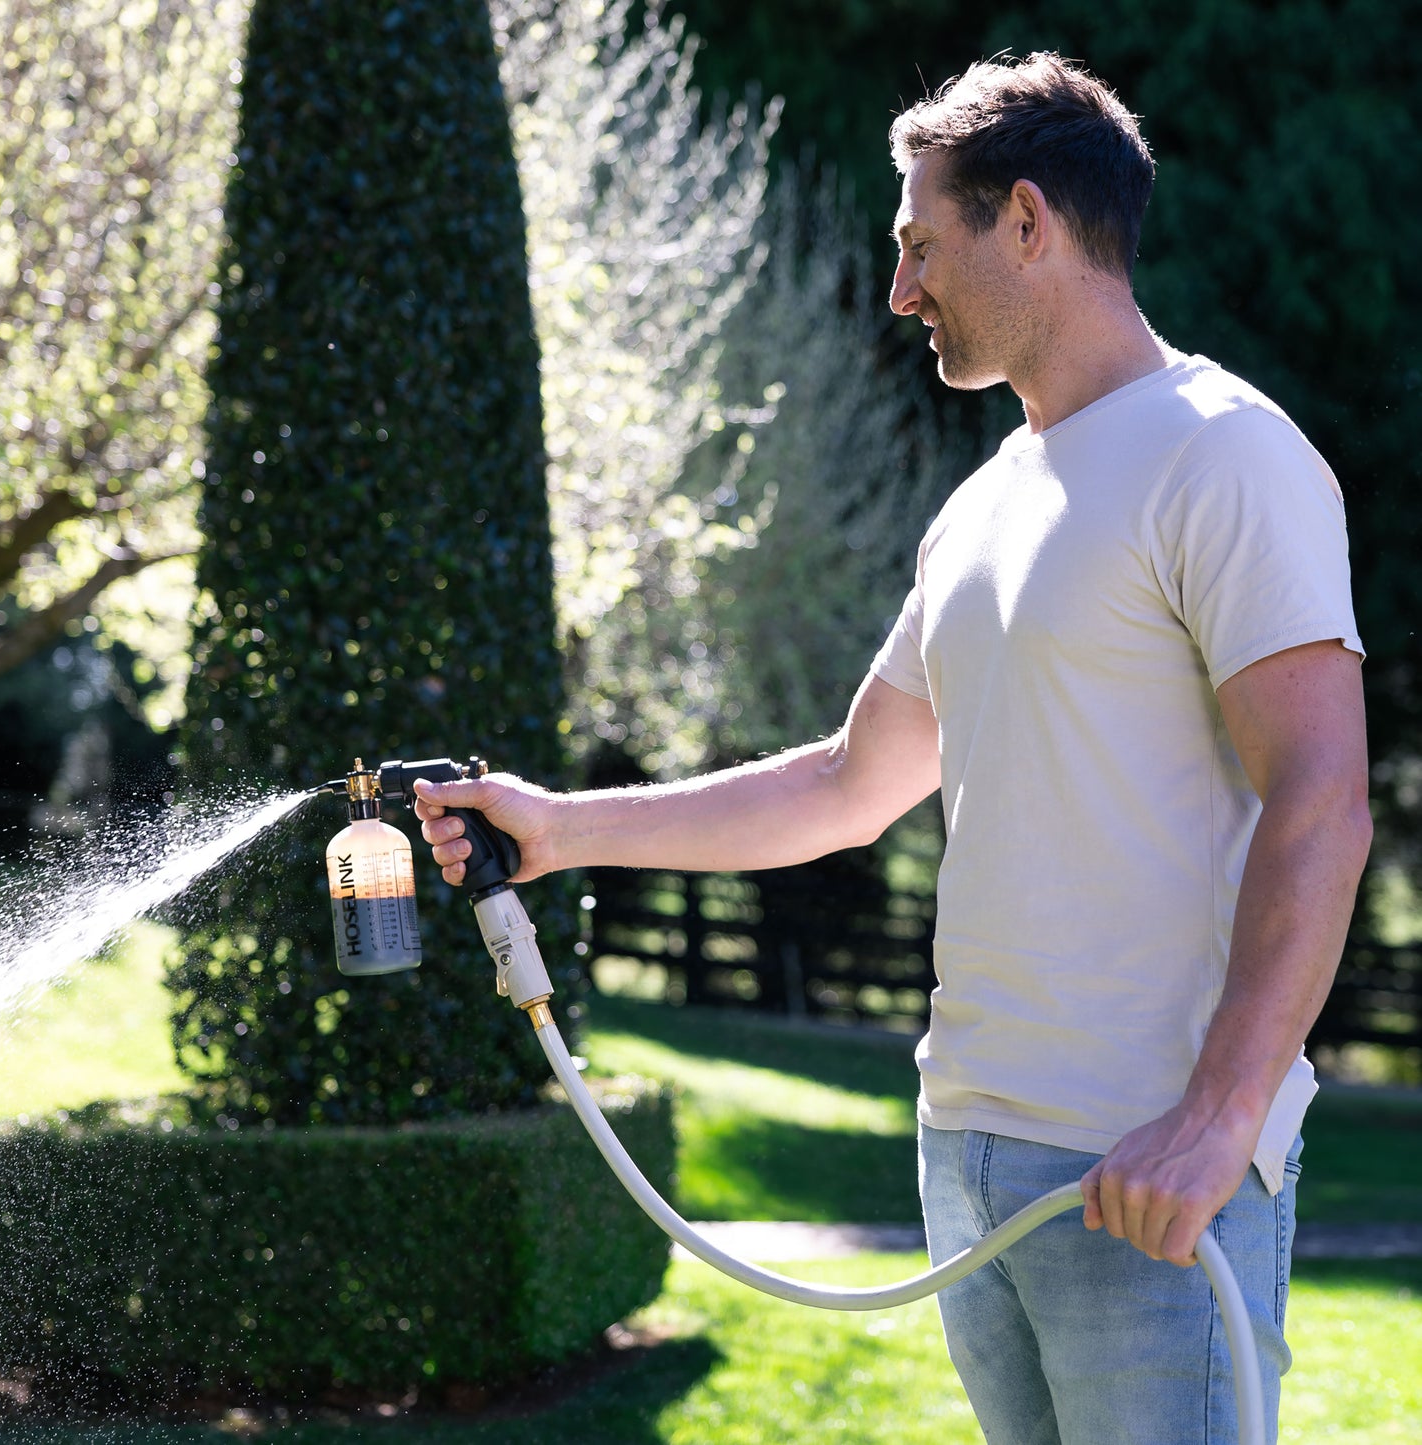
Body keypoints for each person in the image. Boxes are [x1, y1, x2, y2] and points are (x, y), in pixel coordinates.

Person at [415, 52, 1370, 1445]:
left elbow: (1320, 797)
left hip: (1148, 1167)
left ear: (1027, 221)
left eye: (920, 244)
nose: (899, 289)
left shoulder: (1222, 456)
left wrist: (1217, 1117)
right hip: (971, 1154)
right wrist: (562, 827)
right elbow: (846, 782)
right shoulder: (986, 503)